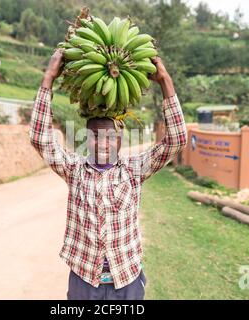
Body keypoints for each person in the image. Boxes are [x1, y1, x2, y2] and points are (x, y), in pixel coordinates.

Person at [29, 48, 188, 300]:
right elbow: (40, 139)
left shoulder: (134, 171)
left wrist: (165, 82)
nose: (102, 143)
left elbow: (177, 140)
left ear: (120, 139)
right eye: (95, 136)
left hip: (127, 281)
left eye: (110, 136)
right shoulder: (74, 170)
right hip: (84, 282)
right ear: (86, 139)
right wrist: (48, 77)